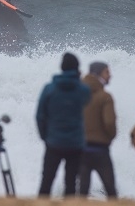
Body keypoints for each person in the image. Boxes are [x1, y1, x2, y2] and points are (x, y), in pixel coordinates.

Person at [36, 52, 91, 198]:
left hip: (53, 142)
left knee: (46, 181)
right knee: (71, 184)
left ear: (61, 67)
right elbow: (86, 100)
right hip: (75, 144)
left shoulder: (49, 89)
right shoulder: (83, 90)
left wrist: (45, 137)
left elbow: (40, 116)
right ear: (77, 69)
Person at [78, 61, 117, 199]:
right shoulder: (105, 96)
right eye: (107, 72)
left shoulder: (78, 94)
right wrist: (109, 137)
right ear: (99, 73)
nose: (110, 75)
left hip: (81, 148)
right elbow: (110, 122)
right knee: (111, 190)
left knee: (82, 190)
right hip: (100, 149)